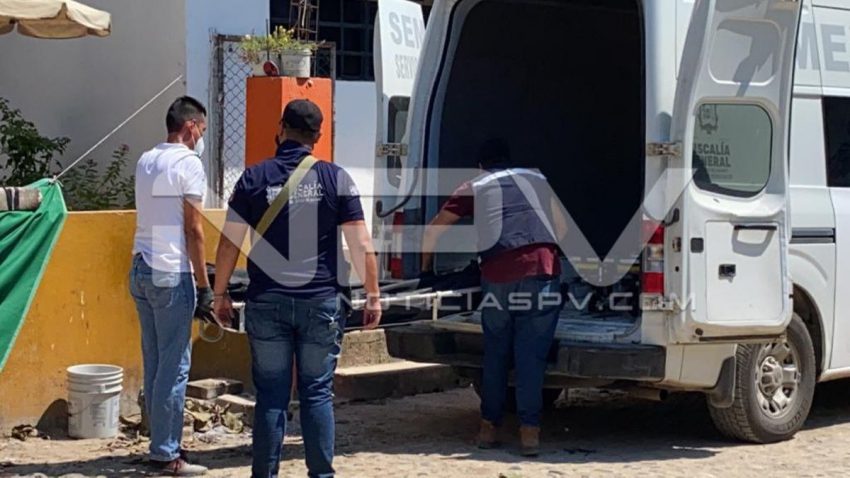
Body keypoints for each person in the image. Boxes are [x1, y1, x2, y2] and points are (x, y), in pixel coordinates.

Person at [213, 99, 381, 478]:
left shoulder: (253, 178)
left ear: (281, 128)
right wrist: (373, 295)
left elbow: (228, 244)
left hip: (266, 301)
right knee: (317, 392)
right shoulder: (336, 178)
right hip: (321, 302)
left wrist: (220, 294)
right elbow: (360, 243)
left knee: (271, 395)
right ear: (318, 136)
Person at [420, 139, 567, 457]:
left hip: (498, 276)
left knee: (496, 354)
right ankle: (530, 435)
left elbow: (433, 231)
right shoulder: (536, 179)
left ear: (480, 166)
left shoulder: (475, 185)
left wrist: (426, 273)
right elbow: (563, 229)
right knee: (531, 358)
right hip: (541, 272)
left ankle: (488, 428)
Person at [130, 96, 212, 475]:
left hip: (141, 267)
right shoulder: (188, 164)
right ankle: (166, 454)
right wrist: (204, 285)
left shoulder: (146, 160)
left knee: (155, 362)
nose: (202, 138)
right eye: (202, 130)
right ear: (191, 126)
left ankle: (160, 441)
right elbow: (194, 229)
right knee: (175, 366)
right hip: (170, 272)